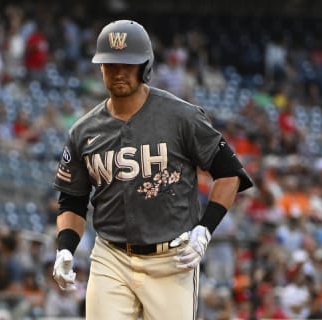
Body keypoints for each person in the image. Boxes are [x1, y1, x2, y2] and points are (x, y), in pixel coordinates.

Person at [50, 20, 253, 319]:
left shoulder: (181, 116)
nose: (118, 71)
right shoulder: (83, 131)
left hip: (172, 260)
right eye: (111, 64)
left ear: (145, 66)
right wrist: (65, 247)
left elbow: (229, 172)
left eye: (127, 64)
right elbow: (72, 199)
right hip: (111, 257)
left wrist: (205, 229)